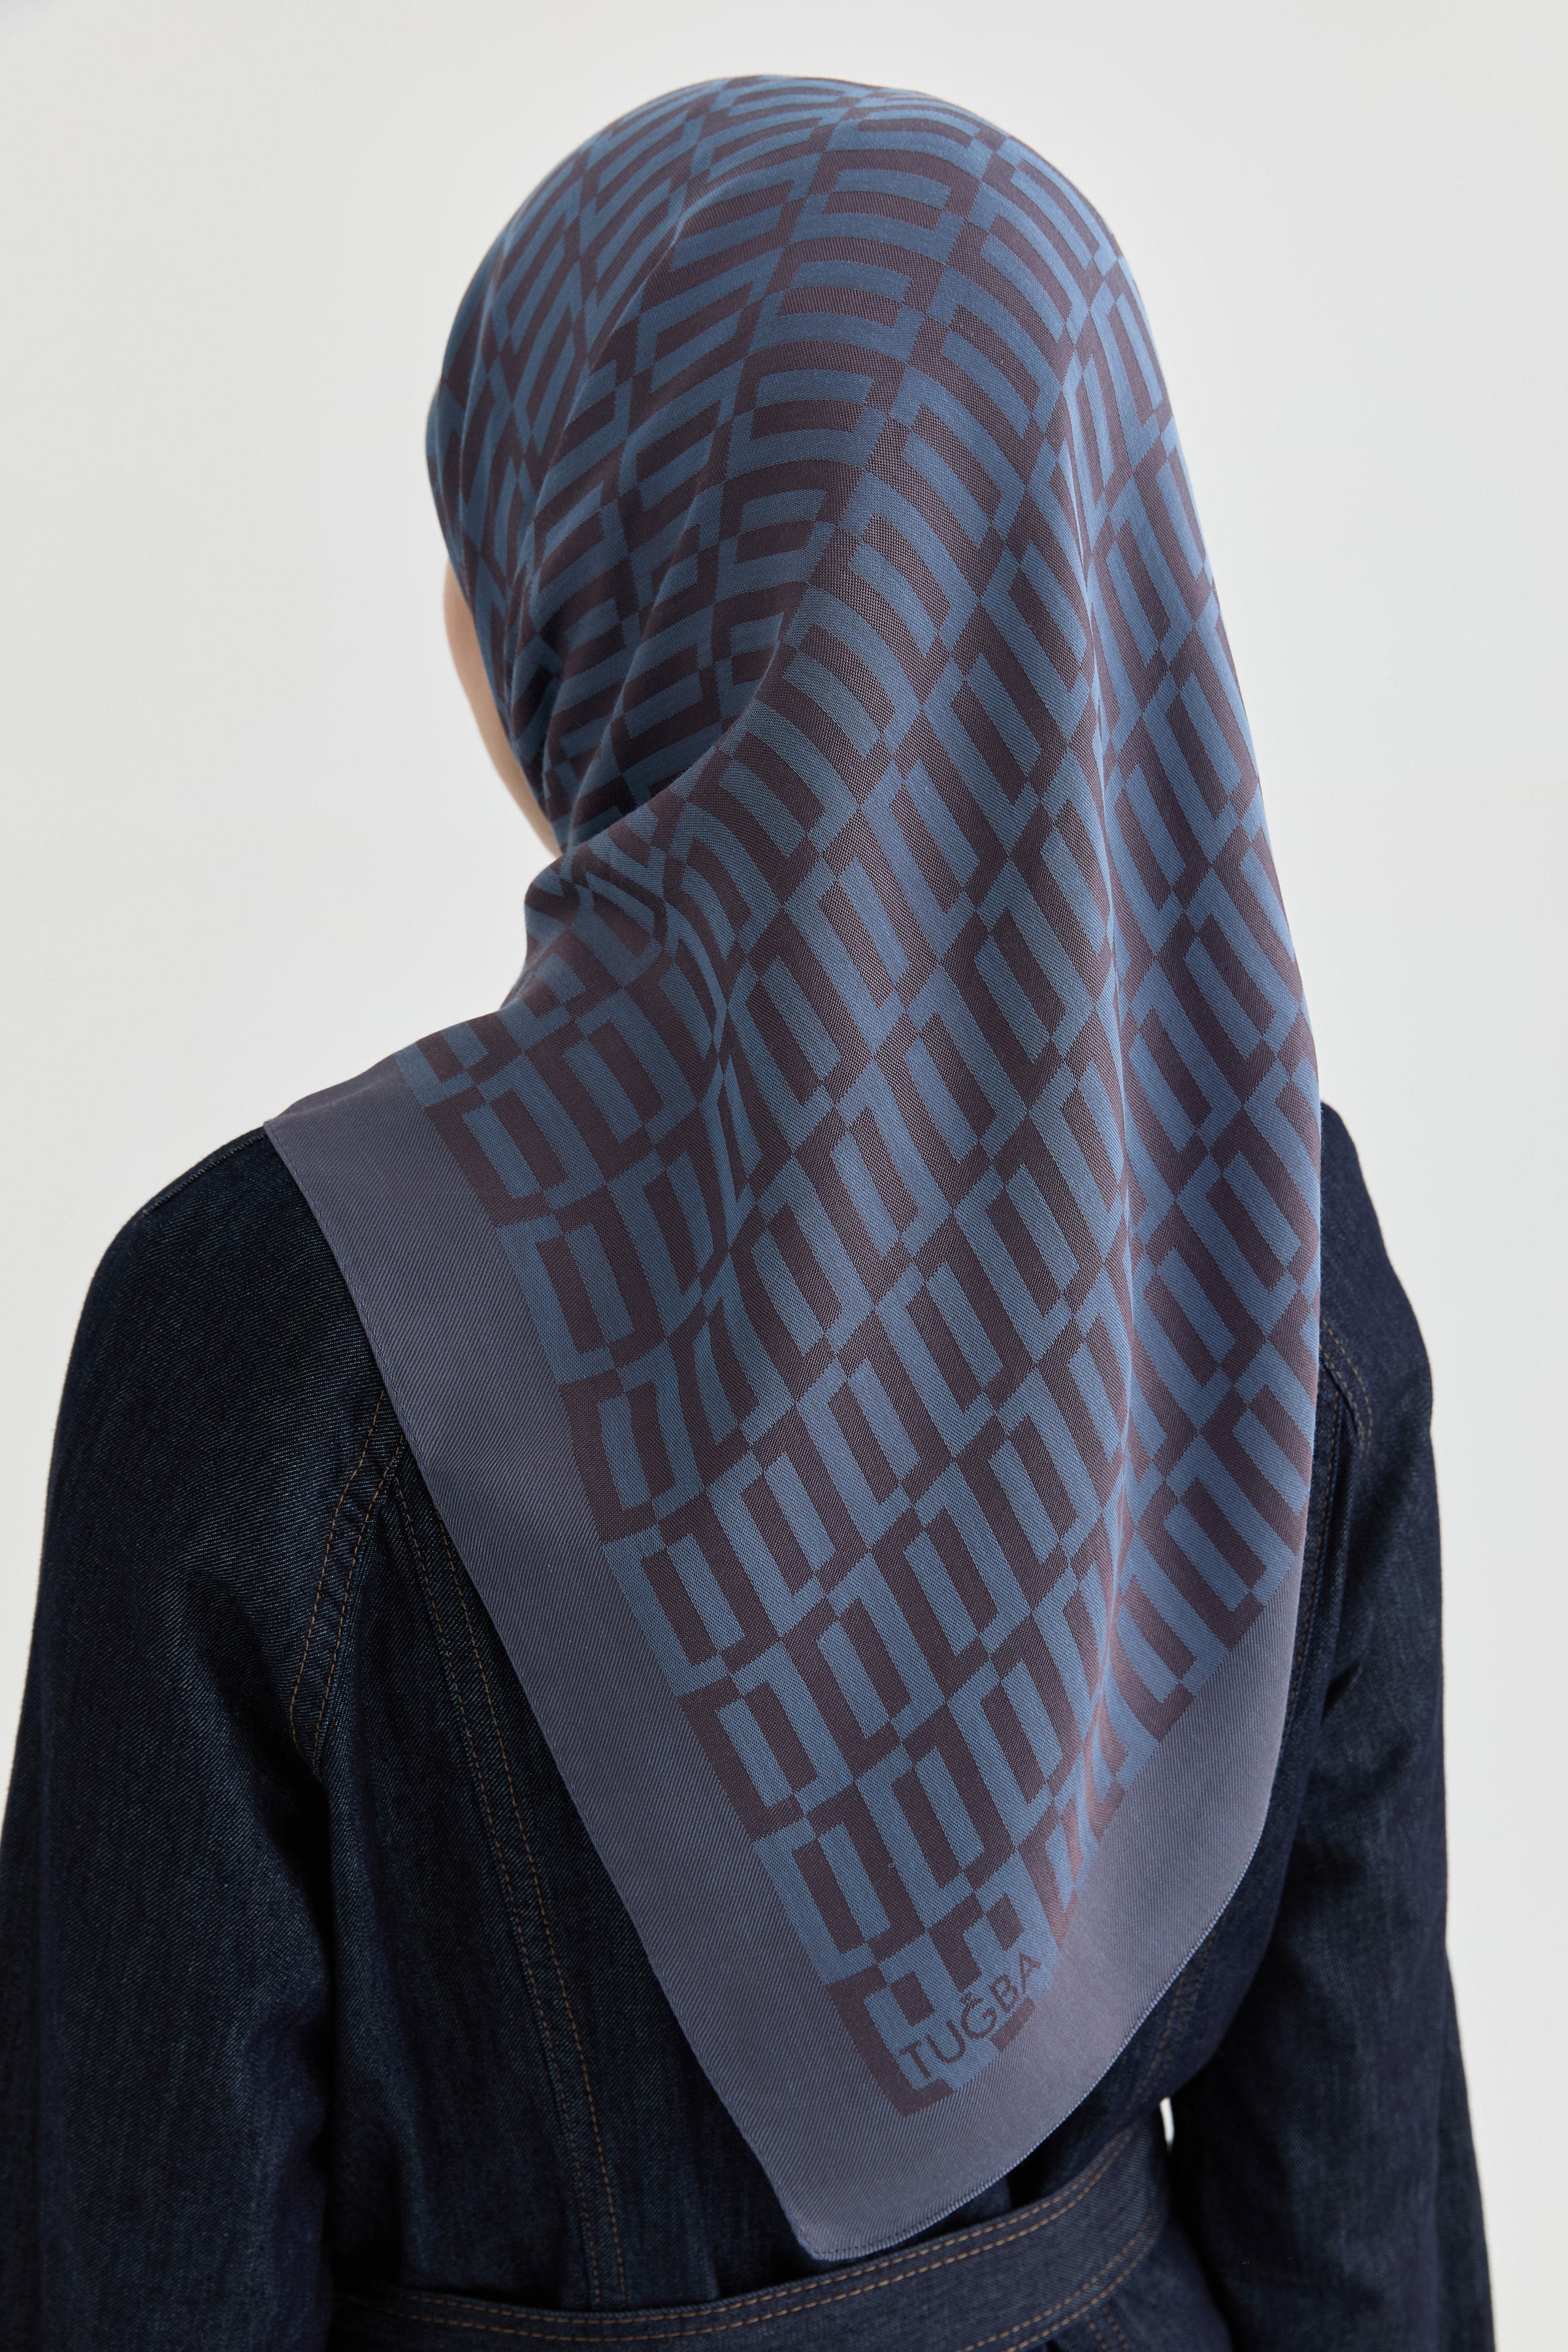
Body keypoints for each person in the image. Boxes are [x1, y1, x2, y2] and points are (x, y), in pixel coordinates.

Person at [0, 76, 1492, 2351]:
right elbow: (1360, 2232)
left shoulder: (250, 1329)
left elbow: (135, 2267)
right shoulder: (1262, 1231)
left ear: (620, 591)